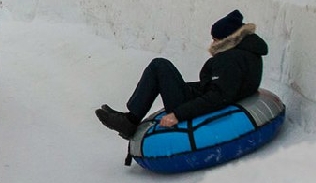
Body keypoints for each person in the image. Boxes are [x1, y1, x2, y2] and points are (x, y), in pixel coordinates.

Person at [95, 9, 269, 139]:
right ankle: (129, 118)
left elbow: (219, 97)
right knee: (165, 72)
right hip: (205, 94)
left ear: (227, 39)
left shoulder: (230, 59)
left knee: (159, 66)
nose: (213, 42)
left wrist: (178, 114)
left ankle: (130, 120)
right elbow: (223, 88)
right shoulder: (248, 52)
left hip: (196, 105)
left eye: (215, 39)